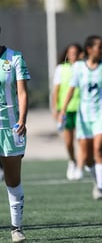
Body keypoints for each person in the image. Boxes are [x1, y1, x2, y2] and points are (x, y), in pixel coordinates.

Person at [59, 35, 102, 200]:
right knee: (88, 157)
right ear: (89, 49)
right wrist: (63, 110)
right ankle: (97, 180)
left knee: (99, 149)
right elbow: (71, 89)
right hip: (84, 116)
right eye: (100, 47)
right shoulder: (79, 68)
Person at [0, 27, 31, 242]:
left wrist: (22, 119)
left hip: (11, 128)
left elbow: (22, 92)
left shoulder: (14, 57)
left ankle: (16, 228)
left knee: (12, 180)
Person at [51, 43, 84, 180]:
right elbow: (56, 91)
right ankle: (72, 161)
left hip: (82, 109)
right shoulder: (61, 69)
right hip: (66, 110)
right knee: (69, 142)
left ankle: (80, 167)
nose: (73, 55)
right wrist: (56, 109)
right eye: (70, 53)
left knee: (82, 140)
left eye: (76, 53)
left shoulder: (84, 68)